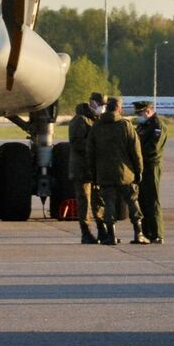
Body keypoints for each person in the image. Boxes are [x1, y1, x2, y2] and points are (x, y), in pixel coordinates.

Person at [86, 96, 147, 245]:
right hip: (125, 173)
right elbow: (135, 150)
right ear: (119, 108)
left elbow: (90, 152)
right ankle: (138, 234)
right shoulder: (125, 125)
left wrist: (93, 172)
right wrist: (139, 170)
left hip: (104, 173)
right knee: (132, 202)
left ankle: (111, 236)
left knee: (109, 203)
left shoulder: (97, 126)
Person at [67, 100, 103, 244]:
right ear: (92, 104)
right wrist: (95, 145)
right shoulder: (80, 120)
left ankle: (102, 230)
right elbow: (76, 143)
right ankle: (86, 232)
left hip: (93, 168)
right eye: (100, 104)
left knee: (98, 200)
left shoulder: (95, 120)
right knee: (84, 201)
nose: (102, 108)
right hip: (81, 168)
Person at [134, 100, 167, 245]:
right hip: (141, 166)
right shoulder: (142, 125)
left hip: (151, 166)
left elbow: (153, 148)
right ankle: (146, 233)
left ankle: (157, 233)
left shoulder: (157, 126)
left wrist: (138, 155)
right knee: (142, 200)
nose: (139, 116)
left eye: (140, 113)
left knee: (152, 200)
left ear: (148, 111)